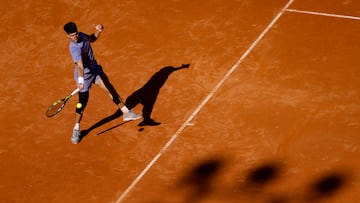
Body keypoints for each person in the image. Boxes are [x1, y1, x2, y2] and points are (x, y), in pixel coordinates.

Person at [63, 22, 141, 144]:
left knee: (109, 88)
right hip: (85, 75)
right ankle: (76, 128)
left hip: (95, 69)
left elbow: (92, 39)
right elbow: (79, 66)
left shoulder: (82, 36)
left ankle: (126, 112)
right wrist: (81, 80)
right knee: (82, 103)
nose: (75, 37)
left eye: (76, 34)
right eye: (72, 35)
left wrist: (98, 31)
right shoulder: (74, 48)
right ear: (67, 36)